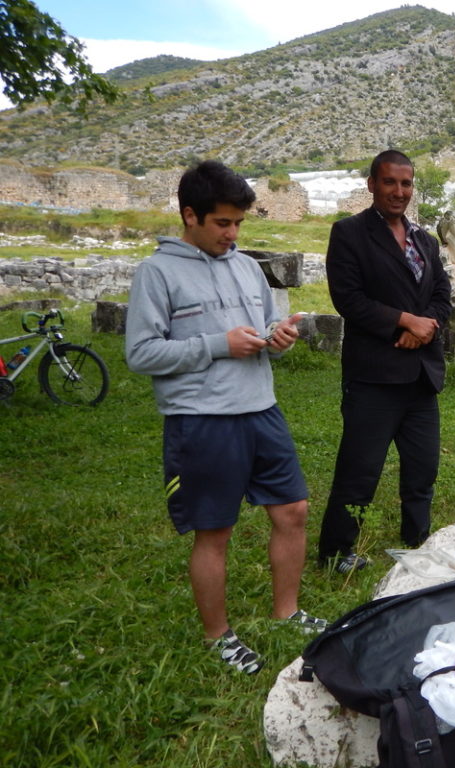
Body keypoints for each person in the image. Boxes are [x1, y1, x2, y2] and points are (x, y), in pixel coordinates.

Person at [125, 160, 325, 675]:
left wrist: (278, 337)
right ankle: (219, 636)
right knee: (214, 531)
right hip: (202, 420)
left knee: (293, 511)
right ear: (190, 215)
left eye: (238, 223)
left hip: (262, 409)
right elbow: (141, 354)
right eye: (222, 223)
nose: (232, 234)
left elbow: (262, 328)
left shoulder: (246, 267)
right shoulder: (157, 273)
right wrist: (218, 344)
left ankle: (287, 613)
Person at [318, 150, 452, 574]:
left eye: (406, 183)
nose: (399, 191)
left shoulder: (424, 241)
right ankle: (336, 552)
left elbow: (442, 295)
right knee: (359, 470)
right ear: (372, 184)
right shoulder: (350, 233)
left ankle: (417, 541)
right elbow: (349, 299)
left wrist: (425, 327)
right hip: (374, 376)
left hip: (420, 376)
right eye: (390, 182)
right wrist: (403, 321)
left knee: (422, 469)